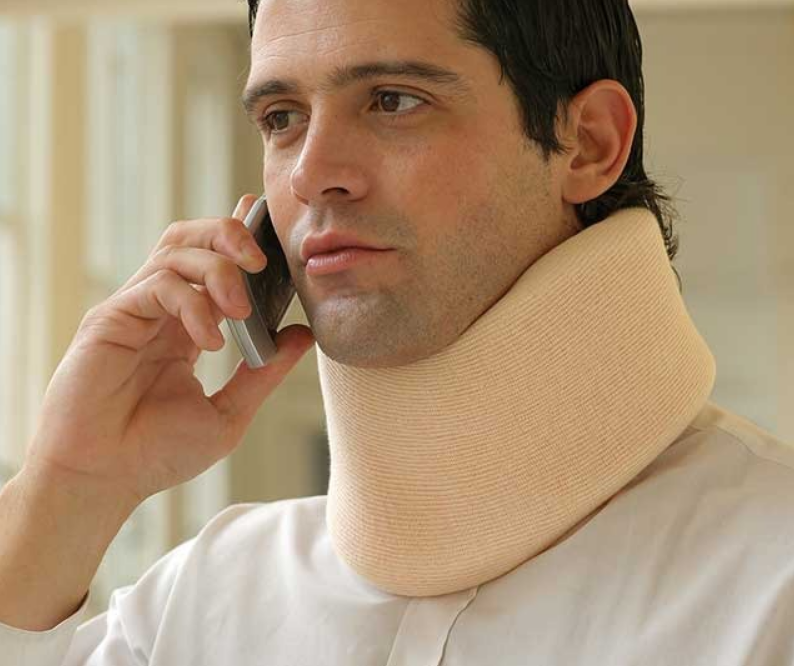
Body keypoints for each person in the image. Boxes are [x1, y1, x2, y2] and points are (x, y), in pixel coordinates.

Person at [1, 0, 793, 663]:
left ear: (588, 143)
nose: (312, 173)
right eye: (282, 118)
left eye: (392, 100)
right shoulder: (197, 605)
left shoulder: (772, 584)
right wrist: (68, 490)